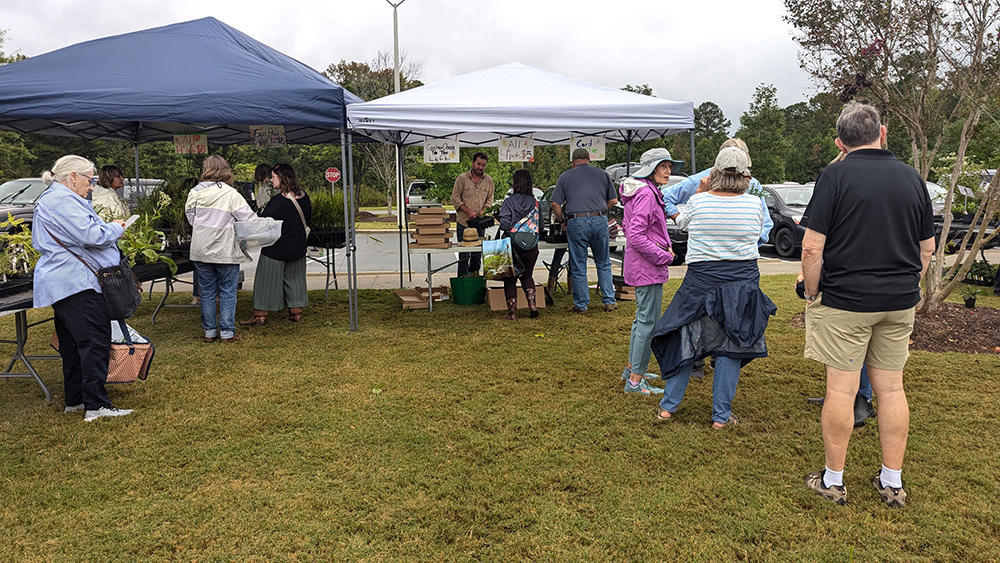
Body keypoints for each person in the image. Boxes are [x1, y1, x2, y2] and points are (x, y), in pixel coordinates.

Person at [801, 102, 935, 508]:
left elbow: (811, 247)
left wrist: (810, 292)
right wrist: (906, 285)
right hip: (898, 301)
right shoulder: (912, 178)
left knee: (840, 389)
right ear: (884, 132)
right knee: (892, 388)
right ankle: (892, 482)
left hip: (845, 301)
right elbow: (926, 249)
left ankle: (833, 480)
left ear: (840, 142)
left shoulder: (835, 175)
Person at [650, 147, 776, 427]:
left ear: (714, 173)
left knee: (686, 341)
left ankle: (668, 407)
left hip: (701, 282)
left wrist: (699, 193)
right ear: (746, 175)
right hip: (741, 282)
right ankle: (720, 416)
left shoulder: (699, 202)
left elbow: (682, 224)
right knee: (732, 346)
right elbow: (757, 234)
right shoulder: (754, 204)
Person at [32, 155, 133, 421]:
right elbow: (93, 235)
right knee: (94, 342)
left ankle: (75, 400)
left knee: (73, 344)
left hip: (64, 282)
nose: (91, 186)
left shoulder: (51, 198)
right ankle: (96, 405)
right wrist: (115, 229)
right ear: (73, 176)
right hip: (77, 282)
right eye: (89, 179)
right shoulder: (63, 200)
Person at [619, 148, 679, 396]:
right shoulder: (646, 194)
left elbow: (632, 228)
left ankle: (634, 368)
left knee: (641, 320)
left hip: (643, 265)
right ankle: (635, 381)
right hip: (648, 267)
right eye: (663, 166)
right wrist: (664, 256)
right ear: (651, 169)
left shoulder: (643, 191)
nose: (668, 171)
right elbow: (635, 235)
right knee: (647, 322)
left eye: (669, 166)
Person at [186, 155, 258, 343]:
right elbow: (248, 220)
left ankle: (209, 332)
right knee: (227, 291)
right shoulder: (231, 194)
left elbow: (191, 218)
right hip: (225, 250)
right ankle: (227, 332)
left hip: (201, 248)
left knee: (207, 291)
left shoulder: (194, 192)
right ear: (226, 170)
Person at [663, 137, 773, 247]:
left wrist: (681, 220)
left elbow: (665, 198)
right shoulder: (752, 185)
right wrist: (751, 244)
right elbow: (765, 223)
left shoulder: (700, 182)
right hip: (739, 257)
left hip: (707, 255)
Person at [551, 147, 619, 313]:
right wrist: (601, 211)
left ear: (573, 161)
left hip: (577, 221)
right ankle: (609, 300)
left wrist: (562, 221)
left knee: (579, 264)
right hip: (600, 219)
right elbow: (614, 200)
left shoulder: (565, 177)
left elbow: (555, 204)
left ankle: (581, 305)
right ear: (589, 159)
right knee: (603, 262)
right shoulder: (603, 174)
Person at [241, 164, 311, 325]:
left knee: (265, 281)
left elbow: (264, 221)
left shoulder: (277, 202)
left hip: (276, 248)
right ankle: (296, 312)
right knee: (295, 280)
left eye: (274, 177)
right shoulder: (305, 197)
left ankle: (260, 314)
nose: (271, 180)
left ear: (282, 178)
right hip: (298, 246)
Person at [497, 169, 540, 320]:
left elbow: (504, 224)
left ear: (515, 183)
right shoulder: (535, 202)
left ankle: (512, 314)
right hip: (531, 246)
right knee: (527, 275)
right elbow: (539, 224)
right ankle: (532, 305)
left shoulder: (509, 202)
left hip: (512, 246)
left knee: (510, 279)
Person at [451, 152, 495, 276]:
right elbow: (455, 199)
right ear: (473, 163)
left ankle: (474, 279)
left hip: (479, 225)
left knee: (477, 254)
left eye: (483, 165)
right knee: (463, 255)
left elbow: (490, 200)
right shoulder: (462, 178)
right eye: (478, 164)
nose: (480, 168)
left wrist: (482, 211)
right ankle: (462, 281)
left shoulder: (489, 181)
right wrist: (468, 211)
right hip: (463, 223)